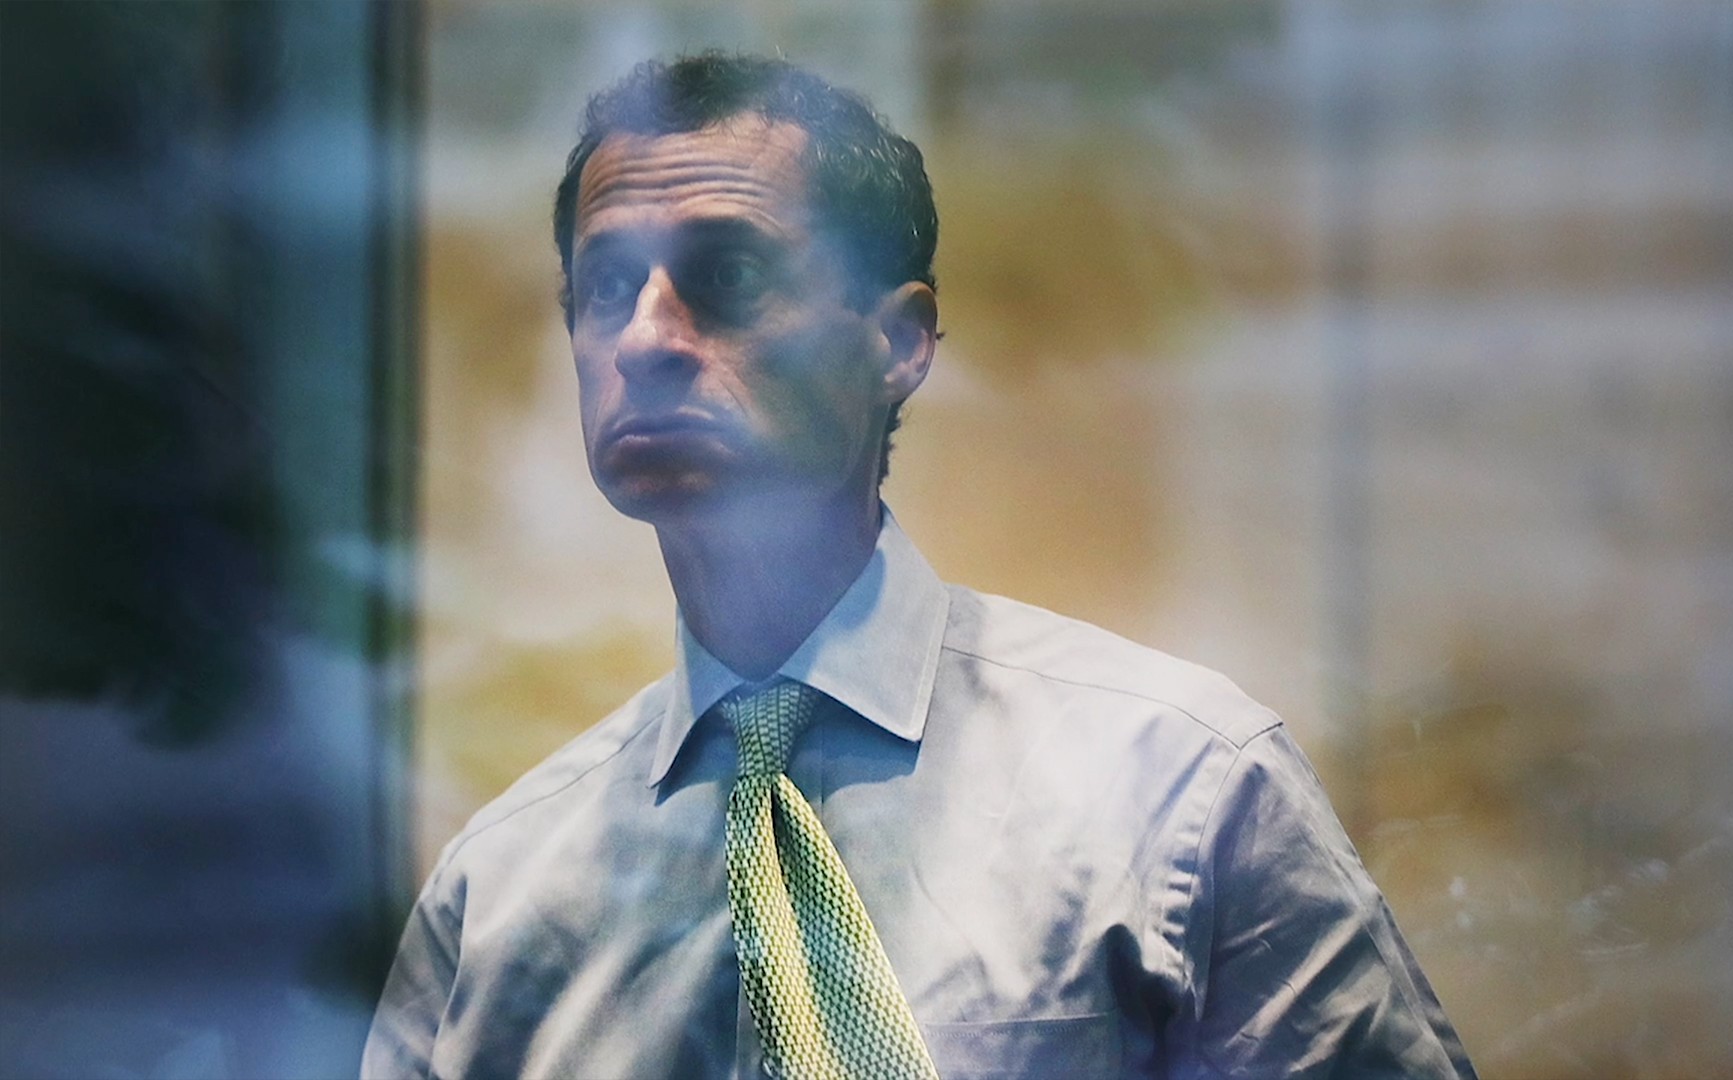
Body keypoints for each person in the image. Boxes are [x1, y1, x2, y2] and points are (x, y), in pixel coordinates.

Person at [364, 52, 1476, 1080]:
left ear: (899, 342)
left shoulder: (1179, 792)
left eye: (729, 274)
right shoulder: (498, 895)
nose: (646, 338)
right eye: (607, 288)